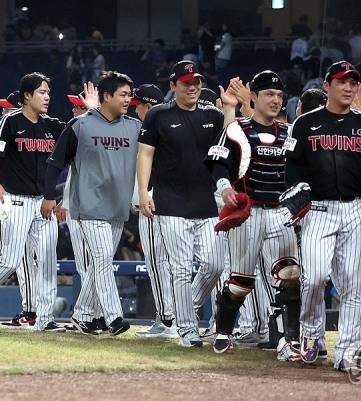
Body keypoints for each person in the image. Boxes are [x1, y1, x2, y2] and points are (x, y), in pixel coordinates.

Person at [283, 60, 361, 370]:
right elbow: (291, 164)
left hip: (356, 208)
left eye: (353, 82)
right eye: (342, 81)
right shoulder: (304, 124)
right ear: (327, 85)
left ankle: (347, 350)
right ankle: (312, 334)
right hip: (317, 209)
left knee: (351, 286)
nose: (348, 87)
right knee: (315, 277)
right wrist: (295, 191)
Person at [137, 61, 234, 347]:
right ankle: (188, 331)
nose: (192, 87)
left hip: (205, 203)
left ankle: (184, 310)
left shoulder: (212, 114)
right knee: (179, 269)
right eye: (186, 83)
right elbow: (145, 154)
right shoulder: (158, 114)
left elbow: (229, 142)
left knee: (215, 265)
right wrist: (144, 191)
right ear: (173, 86)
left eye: (196, 82)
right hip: (171, 203)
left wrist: (229, 108)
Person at [205, 70, 301, 358]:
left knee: (290, 275)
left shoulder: (290, 132)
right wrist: (224, 188)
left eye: (279, 95)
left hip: (281, 212)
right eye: (269, 94)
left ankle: (289, 340)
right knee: (240, 284)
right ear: (254, 97)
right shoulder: (235, 129)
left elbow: (300, 171)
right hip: (248, 213)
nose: (275, 100)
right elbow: (218, 164)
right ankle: (223, 332)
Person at [0, 72, 64, 332]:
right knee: (9, 260)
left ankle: (44, 318)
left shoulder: (51, 125)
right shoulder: (7, 122)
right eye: (42, 92)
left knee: (48, 261)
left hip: (43, 202)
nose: (47, 97)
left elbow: (76, 139)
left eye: (48, 92)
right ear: (27, 95)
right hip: (15, 200)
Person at [43, 71, 140, 336]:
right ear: (106, 96)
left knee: (101, 262)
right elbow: (54, 163)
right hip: (88, 206)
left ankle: (82, 314)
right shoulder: (81, 125)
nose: (128, 100)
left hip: (118, 208)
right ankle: (114, 317)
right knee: (102, 261)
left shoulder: (134, 127)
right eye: (123, 94)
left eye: (129, 95)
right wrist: (50, 196)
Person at [128, 83, 180, 339]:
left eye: (137, 105)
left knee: (158, 261)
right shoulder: (172, 127)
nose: (134, 109)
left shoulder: (154, 130)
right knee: (170, 262)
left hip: (154, 201)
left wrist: (144, 195)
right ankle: (172, 317)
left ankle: (167, 320)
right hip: (170, 200)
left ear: (148, 107)